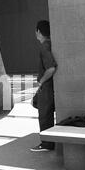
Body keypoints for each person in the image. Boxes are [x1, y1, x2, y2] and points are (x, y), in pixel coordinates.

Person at [30, 20, 58, 152]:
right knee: (38, 106)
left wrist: (41, 82)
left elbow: (51, 68)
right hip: (51, 87)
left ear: (38, 32)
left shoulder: (44, 47)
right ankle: (50, 141)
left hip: (46, 87)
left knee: (44, 115)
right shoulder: (52, 44)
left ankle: (47, 144)